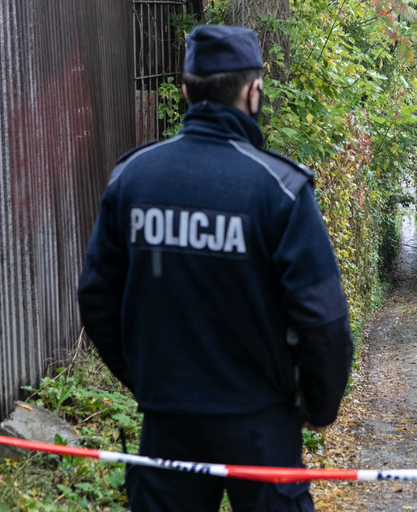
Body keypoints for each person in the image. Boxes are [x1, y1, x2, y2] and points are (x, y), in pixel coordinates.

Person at [77, 25, 353, 512]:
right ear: (253, 91)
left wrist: (147, 380)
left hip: (167, 424)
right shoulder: (279, 189)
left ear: (185, 91)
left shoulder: (133, 179)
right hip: (261, 423)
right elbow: (322, 316)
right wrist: (319, 405)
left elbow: (97, 296)